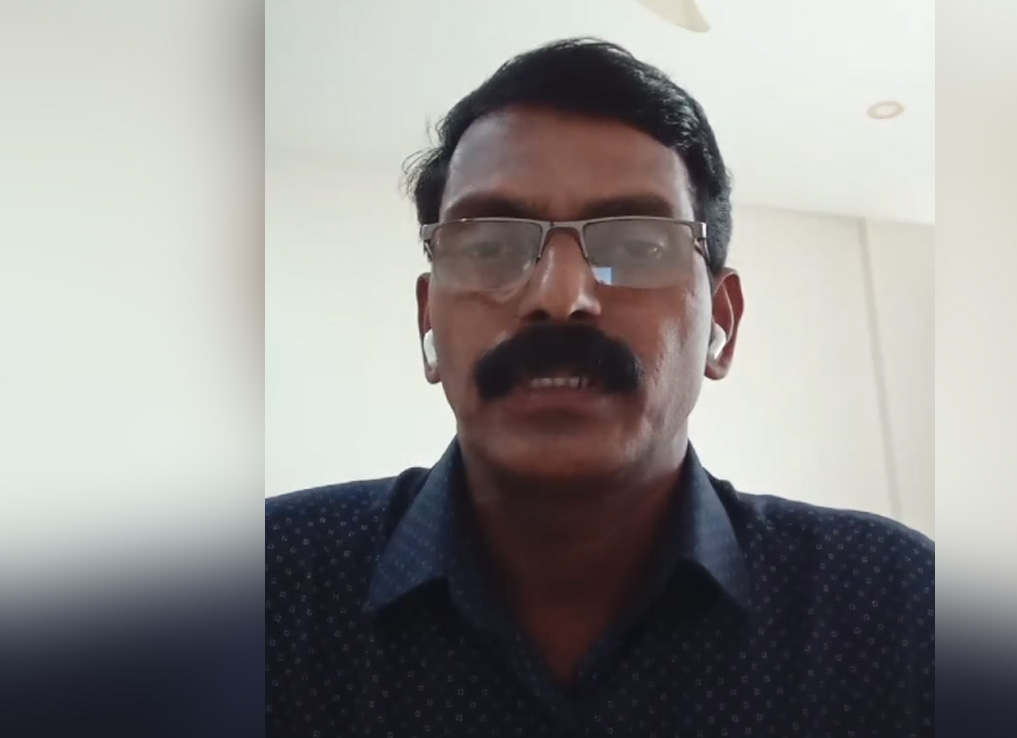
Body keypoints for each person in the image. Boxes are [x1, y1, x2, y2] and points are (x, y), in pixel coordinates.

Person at [266, 37, 933, 736]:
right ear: (429, 319)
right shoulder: (261, 595)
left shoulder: (896, 610)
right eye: (491, 246)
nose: (560, 297)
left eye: (636, 246)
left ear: (722, 323)